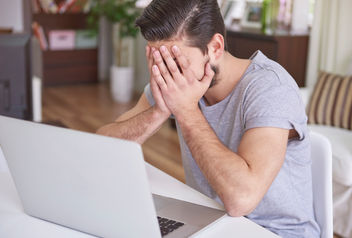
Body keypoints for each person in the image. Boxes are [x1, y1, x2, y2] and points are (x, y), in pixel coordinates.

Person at [97, 0, 320, 237]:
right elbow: (103, 147)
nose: (166, 71)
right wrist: (160, 110)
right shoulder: (177, 83)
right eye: (159, 60)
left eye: (175, 61)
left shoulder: (270, 88)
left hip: (273, 232)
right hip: (212, 224)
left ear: (215, 47)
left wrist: (185, 110)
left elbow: (241, 200)